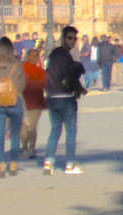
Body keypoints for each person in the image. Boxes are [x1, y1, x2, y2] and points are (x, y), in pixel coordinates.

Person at [43, 25, 86, 175]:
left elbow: (48, 74)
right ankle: (70, 163)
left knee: (55, 130)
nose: (72, 41)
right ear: (62, 38)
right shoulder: (65, 56)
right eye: (70, 38)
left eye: (74, 39)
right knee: (70, 131)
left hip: (52, 97)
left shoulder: (53, 55)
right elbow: (68, 77)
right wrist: (77, 69)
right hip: (65, 98)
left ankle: (48, 162)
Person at [0, 36, 25, 179]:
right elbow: (22, 84)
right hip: (14, 102)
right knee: (15, 135)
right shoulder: (17, 64)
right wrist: (15, 91)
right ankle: (13, 165)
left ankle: (1, 166)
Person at [20, 46, 47, 160]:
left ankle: (24, 148)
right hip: (36, 102)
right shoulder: (41, 72)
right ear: (37, 59)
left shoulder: (20, 70)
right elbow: (46, 86)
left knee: (23, 125)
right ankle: (31, 148)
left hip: (22, 101)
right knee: (32, 126)